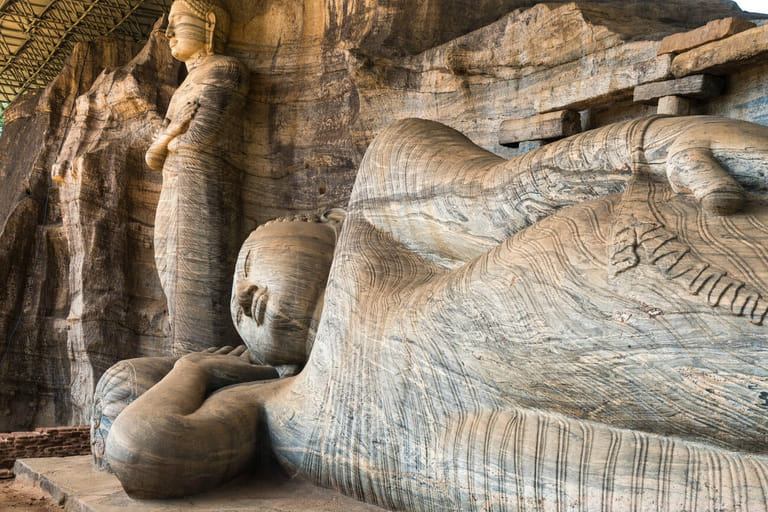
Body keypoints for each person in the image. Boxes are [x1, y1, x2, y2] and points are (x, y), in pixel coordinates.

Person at [105, 115, 768, 510]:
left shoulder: (383, 202)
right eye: (240, 316)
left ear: (315, 225)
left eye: (249, 265)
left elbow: (512, 188)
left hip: (647, 265)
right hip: (615, 450)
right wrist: (192, 369)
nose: (247, 299)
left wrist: (651, 142)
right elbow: (145, 449)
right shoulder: (290, 408)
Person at [148, 0, 248, 354]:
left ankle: (206, 361)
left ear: (209, 22)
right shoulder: (184, 88)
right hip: (171, 191)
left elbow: (198, 141)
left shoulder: (226, 69)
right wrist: (174, 129)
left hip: (205, 187)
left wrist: (173, 140)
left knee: (201, 283)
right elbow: (152, 156)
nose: (168, 34)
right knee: (173, 281)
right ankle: (183, 360)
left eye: (177, 22)